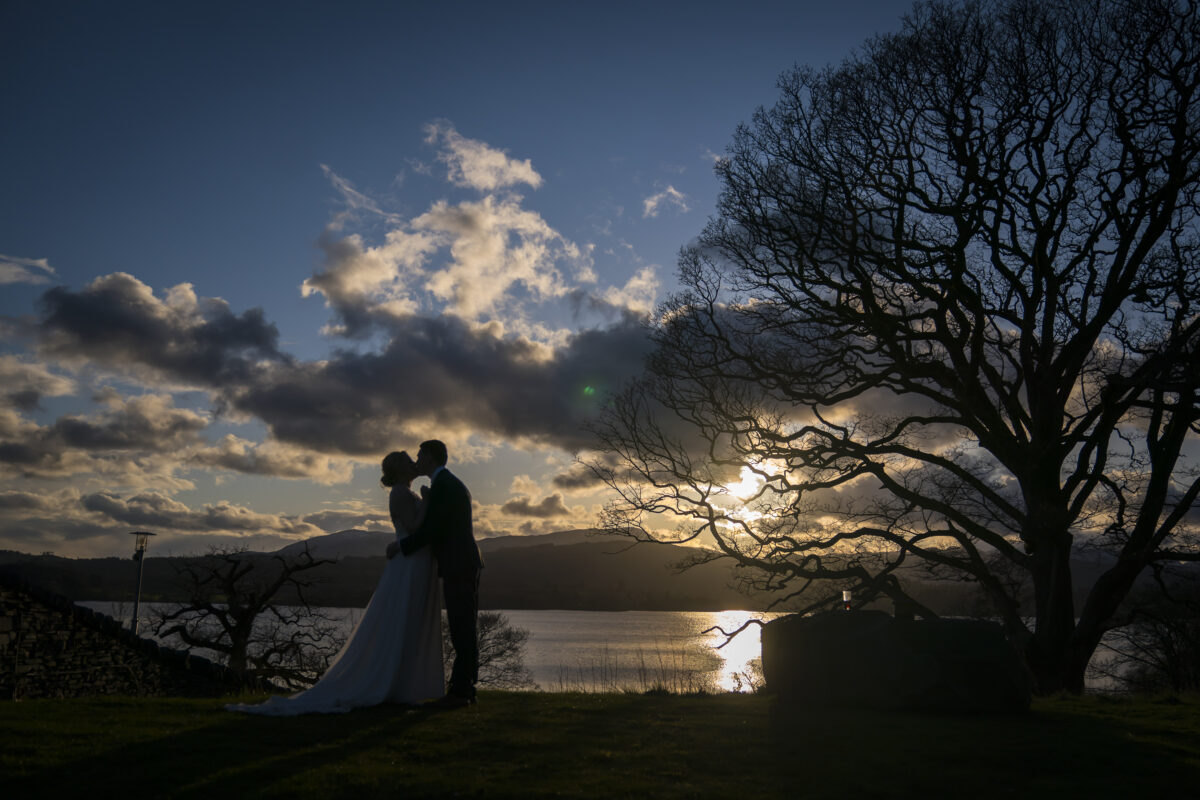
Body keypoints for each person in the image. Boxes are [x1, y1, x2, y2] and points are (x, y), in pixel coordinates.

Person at [226, 451, 443, 715]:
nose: (414, 463)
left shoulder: (404, 492)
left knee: (406, 620)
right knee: (400, 619)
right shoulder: (399, 493)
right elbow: (413, 527)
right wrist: (430, 502)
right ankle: (389, 683)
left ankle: (401, 684)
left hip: (413, 560)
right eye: (409, 461)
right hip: (408, 564)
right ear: (399, 469)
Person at [389, 439, 483, 708]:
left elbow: (434, 530)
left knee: (461, 626)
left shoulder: (445, 486)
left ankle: (461, 692)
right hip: (460, 562)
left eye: (419, 455)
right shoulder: (446, 484)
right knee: (462, 626)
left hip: (459, 563)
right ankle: (465, 688)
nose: (417, 460)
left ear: (430, 457)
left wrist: (401, 546)